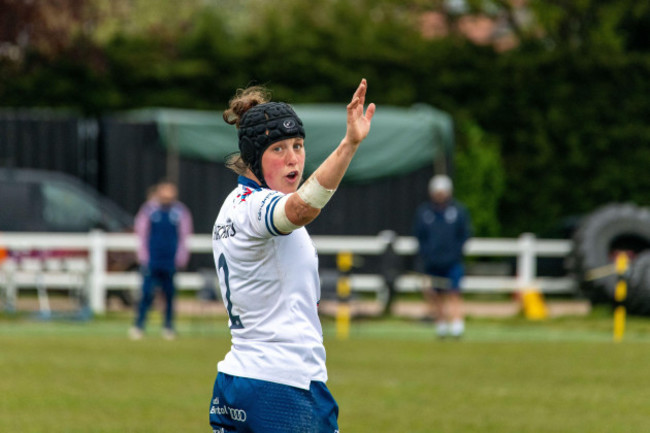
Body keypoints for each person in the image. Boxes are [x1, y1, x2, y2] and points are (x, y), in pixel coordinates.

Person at [209, 79, 375, 432]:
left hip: (238, 380)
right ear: (254, 157)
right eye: (278, 149)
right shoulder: (257, 206)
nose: (294, 158)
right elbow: (300, 210)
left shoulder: (232, 207)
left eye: (298, 145)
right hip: (283, 386)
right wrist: (349, 144)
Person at [129, 180, 193, 340]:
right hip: (152, 259)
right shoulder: (149, 210)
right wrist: (143, 256)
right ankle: (139, 325)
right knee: (146, 294)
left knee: (169, 295)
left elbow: (184, 236)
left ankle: (168, 326)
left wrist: (181, 257)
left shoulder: (179, 212)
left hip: (170, 260)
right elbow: (141, 234)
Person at [414, 174, 471, 339]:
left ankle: (457, 326)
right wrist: (426, 254)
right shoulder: (425, 213)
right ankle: (441, 325)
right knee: (435, 294)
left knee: (454, 292)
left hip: (452, 262)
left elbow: (464, 234)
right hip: (432, 262)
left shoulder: (458, 212)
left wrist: (456, 253)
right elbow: (420, 236)